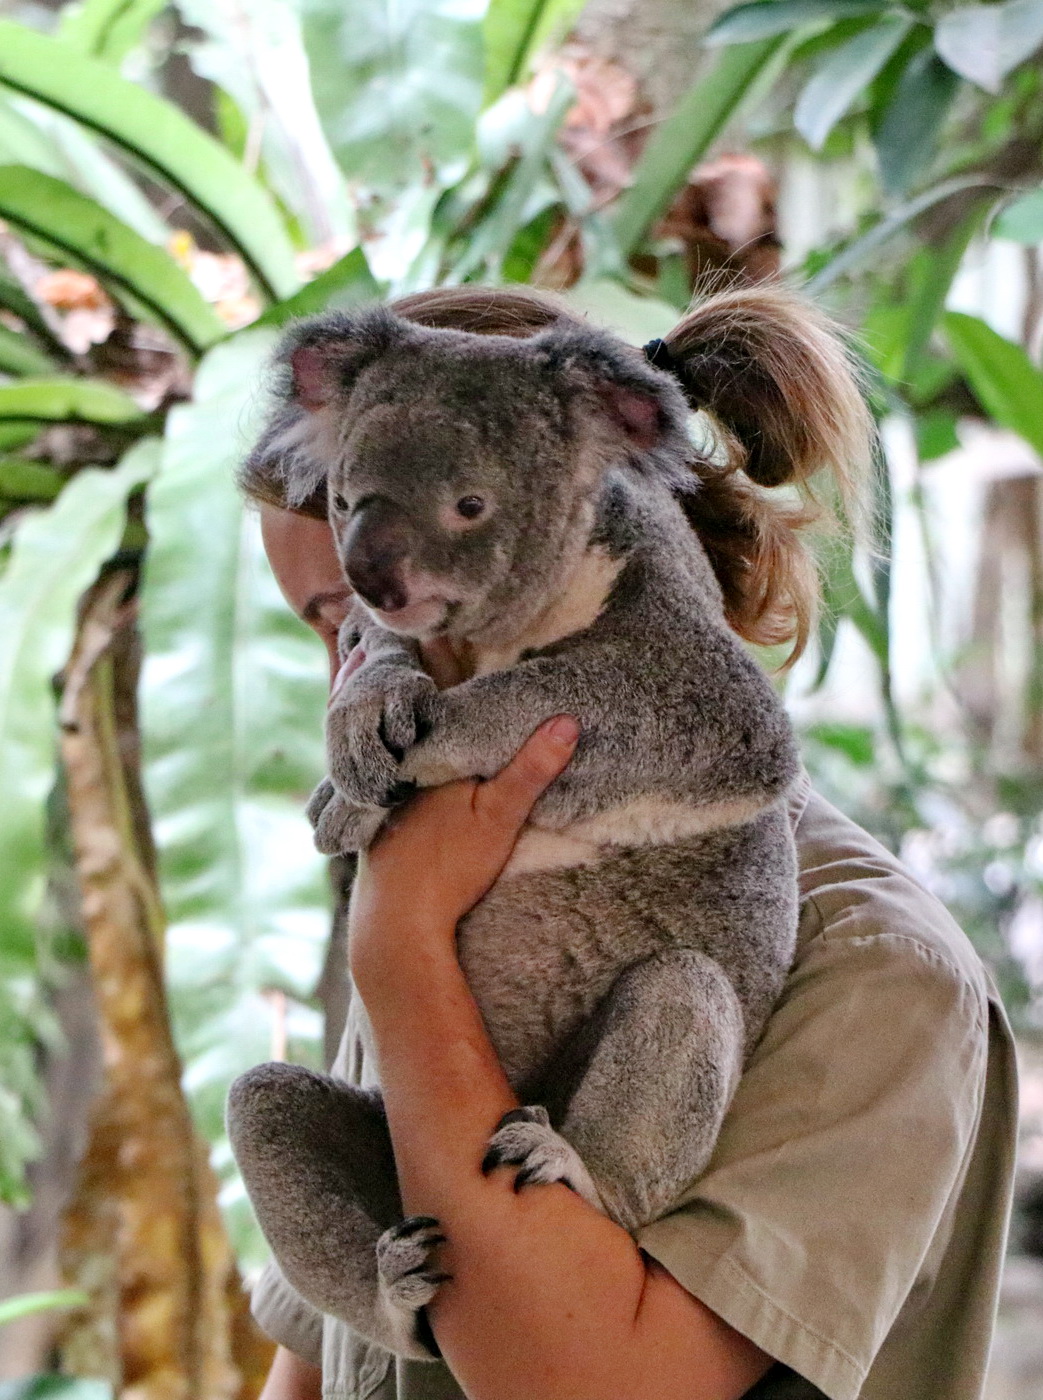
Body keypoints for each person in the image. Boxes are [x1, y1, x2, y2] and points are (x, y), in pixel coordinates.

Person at [241, 289, 1018, 1400]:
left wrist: (403, 951)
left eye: (366, 621)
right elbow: (326, 1363)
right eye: (342, 627)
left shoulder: (876, 978)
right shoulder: (453, 859)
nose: (354, 679)